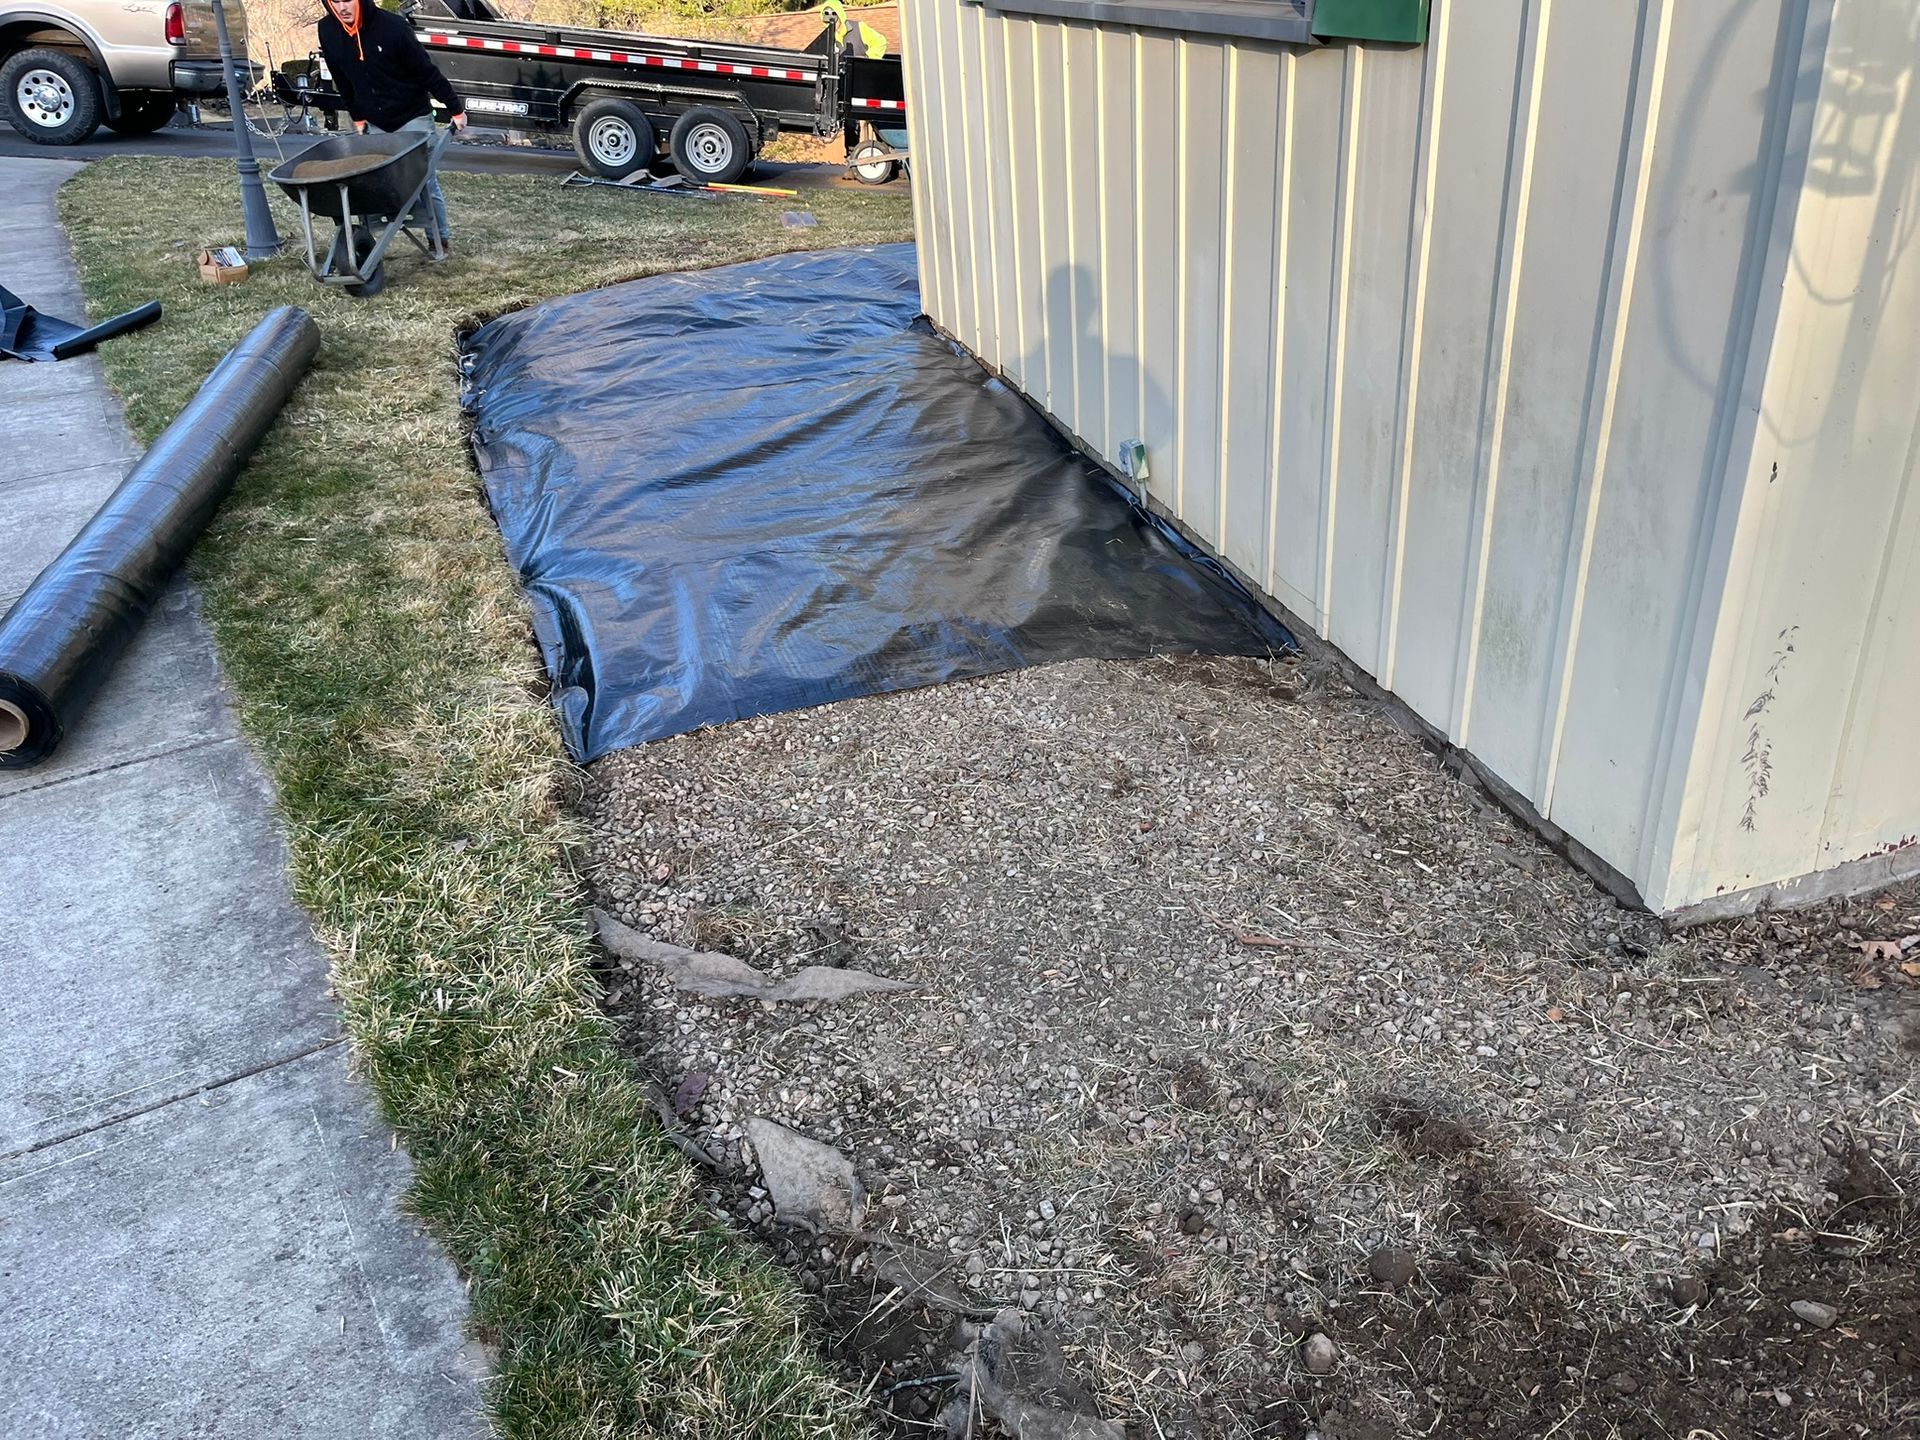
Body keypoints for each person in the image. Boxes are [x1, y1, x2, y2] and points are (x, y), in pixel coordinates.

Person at [317, 0, 467, 250]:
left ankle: (438, 238)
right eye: (336, 2)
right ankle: (368, 239)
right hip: (375, 120)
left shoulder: (393, 28)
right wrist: (357, 115)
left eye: (347, 0)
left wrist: (455, 108)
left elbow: (426, 71)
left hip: (412, 116)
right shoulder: (328, 30)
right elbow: (341, 77)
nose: (342, 8)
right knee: (377, 181)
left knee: (423, 180)